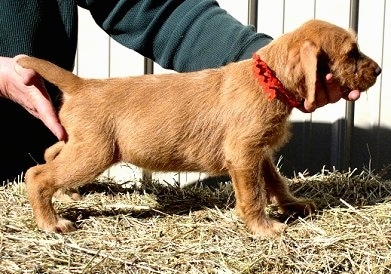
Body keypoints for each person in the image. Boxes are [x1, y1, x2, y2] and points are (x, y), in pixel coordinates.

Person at [0, 0, 360, 182]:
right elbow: (242, 153)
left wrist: (268, 63)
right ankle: (44, 184)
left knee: (76, 156)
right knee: (90, 157)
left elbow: (155, 8)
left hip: (37, 126)